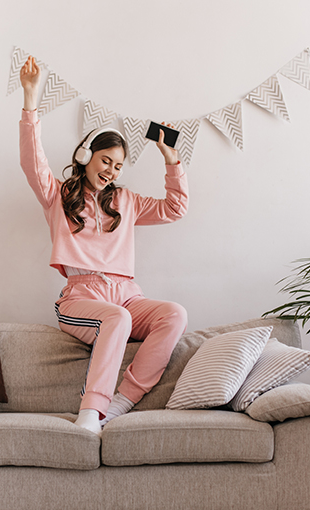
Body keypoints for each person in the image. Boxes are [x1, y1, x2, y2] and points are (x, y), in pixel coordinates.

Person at [18, 56, 188, 435]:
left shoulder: (126, 201)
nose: (111, 170)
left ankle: (122, 402)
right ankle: (91, 412)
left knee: (174, 314)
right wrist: (31, 98)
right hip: (81, 297)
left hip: (127, 293)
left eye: (117, 165)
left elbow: (175, 208)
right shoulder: (58, 196)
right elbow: (32, 162)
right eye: (105, 160)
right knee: (117, 318)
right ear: (85, 156)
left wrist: (171, 159)